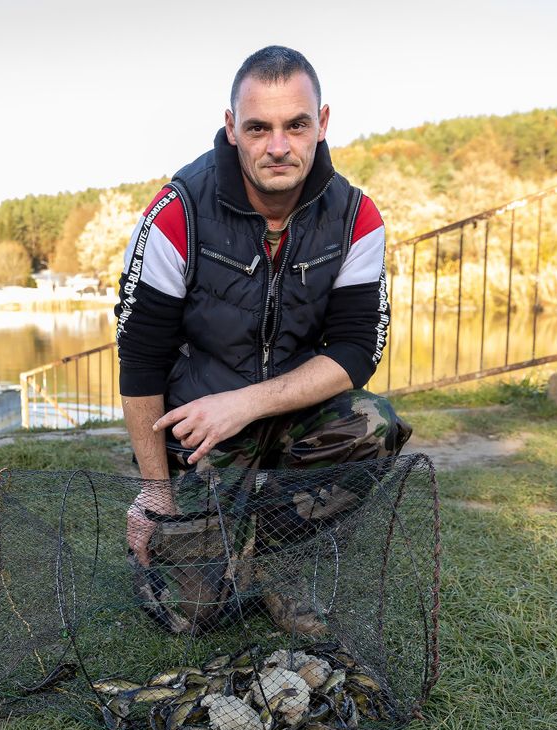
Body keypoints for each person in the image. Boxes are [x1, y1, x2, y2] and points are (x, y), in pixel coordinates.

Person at [114, 46, 411, 634]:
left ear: (321, 124)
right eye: (258, 128)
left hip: (288, 415)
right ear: (232, 128)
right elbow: (140, 359)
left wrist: (246, 403)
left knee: (373, 424)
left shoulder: (358, 217)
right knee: (197, 620)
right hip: (198, 431)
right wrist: (154, 491)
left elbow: (357, 351)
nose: (279, 146)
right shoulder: (175, 213)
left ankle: (275, 563)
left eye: (296, 125)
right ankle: (201, 536)